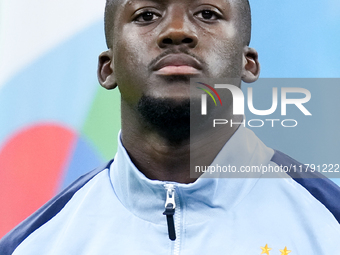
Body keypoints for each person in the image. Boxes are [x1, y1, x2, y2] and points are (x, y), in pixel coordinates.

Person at [1, 0, 340, 254]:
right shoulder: (34, 246)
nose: (177, 31)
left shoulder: (329, 227)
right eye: (146, 15)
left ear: (246, 63)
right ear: (108, 69)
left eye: (207, 13)